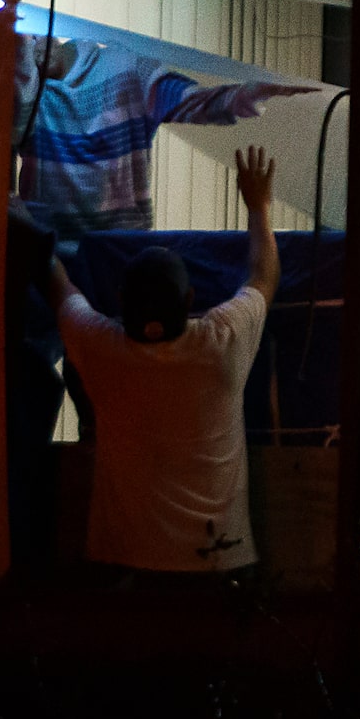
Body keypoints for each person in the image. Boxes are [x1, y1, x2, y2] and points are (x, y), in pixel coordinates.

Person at [47, 146, 281, 576]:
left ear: (119, 303)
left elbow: (61, 288)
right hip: (222, 567)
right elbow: (263, 277)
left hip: (123, 572)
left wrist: (25, 223)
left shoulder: (102, 349)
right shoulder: (221, 342)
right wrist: (259, 207)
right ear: (191, 301)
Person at [16, 33, 320, 238]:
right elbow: (19, 109)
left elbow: (188, 101)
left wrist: (240, 97)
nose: (33, 50)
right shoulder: (28, 97)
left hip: (121, 250)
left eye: (33, 37)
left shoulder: (124, 69)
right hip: (50, 254)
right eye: (21, 47)